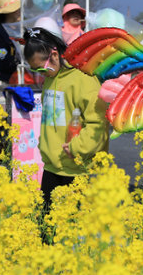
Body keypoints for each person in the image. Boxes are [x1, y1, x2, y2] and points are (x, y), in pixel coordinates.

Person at [23, 27, 109, 211]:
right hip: (52, 167)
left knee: (73, 232)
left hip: (77, 169)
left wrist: (77, 149)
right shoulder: (50, 78)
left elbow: (98, 123)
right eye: (34, 70)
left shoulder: (83, 78)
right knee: (46, 231)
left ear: (54, 55)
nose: (40, 74)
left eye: (41, 68)